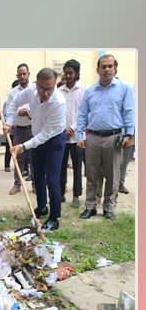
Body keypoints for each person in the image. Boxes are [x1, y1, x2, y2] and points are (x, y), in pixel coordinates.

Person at [6, 68, 67, 232]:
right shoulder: (31, 91)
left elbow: (46, 134)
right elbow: (14, 102)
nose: (45, 93)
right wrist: (9, 121)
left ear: (54, 86)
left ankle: (54, 218)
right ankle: (41, 208)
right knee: (37, 175)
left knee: (52, 179)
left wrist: (23, 146)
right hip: (37, 137)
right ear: (36, 84)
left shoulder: (58, 103)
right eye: (42, 88)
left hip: (54, 140)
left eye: (49, 89)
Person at [76, 54, 134, 220]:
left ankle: (108, 208)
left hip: (114, 138)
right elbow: (82, 114)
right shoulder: (90, 91)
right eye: (104, 66)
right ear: (98, 70)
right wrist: (80, 135)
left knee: (111, 175)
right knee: (91, 174)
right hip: (92, 138)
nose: (107, 69)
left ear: (115, 69)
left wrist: (129, 135)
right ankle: (90, 207)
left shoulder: (124, 88)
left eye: (110, 66)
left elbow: (129, 112)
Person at [58, 59, 87, 208]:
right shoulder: (59, 91)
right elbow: (57, 113)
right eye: (66, 72)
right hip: (62, 135)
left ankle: (76, 196)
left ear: (77, 73)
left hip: (78, 137)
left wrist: (73, 128)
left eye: (71, 73)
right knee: (61, 165)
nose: (68, 75)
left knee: (77, 167)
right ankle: (61, 194)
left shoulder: (83, 90)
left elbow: (84, 113)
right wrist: (64, 128)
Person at [7, 64, 34, 195]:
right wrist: (19, 111)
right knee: (18, 157)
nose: (22, 76)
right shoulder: (13, 92)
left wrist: (28, 111)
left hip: (33, 128)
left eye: (24, 73)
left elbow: (39, 107)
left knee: (34, 157)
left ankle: (35, 184)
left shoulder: (35, 89)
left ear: (28, 73)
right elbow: (9, 110)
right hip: (19, 129)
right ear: (17, 76)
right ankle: (17, 185)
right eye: (20, 74)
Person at [3, 80, 21, 172]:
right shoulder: (7, 103)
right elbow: (5, 115)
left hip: (20, 128)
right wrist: (10, 123)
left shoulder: (22, 101)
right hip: (10, 130)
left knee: (19, 148)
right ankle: (7, 165)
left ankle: (18, 166)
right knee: (8, 148)